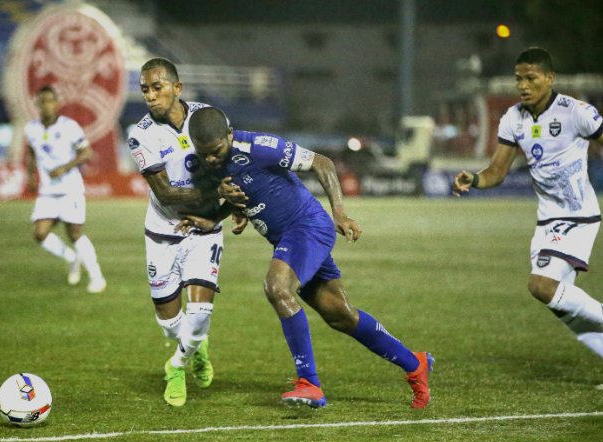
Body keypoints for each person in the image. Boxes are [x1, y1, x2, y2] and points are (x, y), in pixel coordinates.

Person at [181, 106, 434, 409]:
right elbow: (247, 189)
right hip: (290, 239)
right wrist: (223, 214)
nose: (211, 159)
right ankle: (415, 364)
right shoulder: (206, 163)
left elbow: (321, 162)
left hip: (308, 227)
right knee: (340, 314)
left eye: (216, 151)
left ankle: (309, 383)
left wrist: (339, 212)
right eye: (204, 153)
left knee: (277, 288)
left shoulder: (259, 146)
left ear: (230, 135)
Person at [453, 47, 603, 360]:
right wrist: (475, 180)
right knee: (560, 306)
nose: (522, 85)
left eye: (531, 78)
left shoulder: (575, 111)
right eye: (518, 78)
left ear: (549, 78)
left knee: (541, 286)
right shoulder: (513, 119)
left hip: (577, 217)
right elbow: (497, 171)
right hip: (546, 222)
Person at [128, 58, 245, 407]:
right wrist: (218, 194)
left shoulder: (209, 119)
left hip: (205, 230)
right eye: (145, 90)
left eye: (158, 87)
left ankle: (176, 367)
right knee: (170, 324)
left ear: (178, 89)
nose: (150, 96)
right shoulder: (140, 134)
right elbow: (165, 194)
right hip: (162, 232)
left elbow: (231, 167)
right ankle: (195, 347)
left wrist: (228, 208)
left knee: (199, 315)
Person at [24, 86, 106, 293]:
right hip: (47, 191)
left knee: (75, 233)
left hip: (70, 189)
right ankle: (70, 257)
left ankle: (97, 277)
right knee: (40, 233)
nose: (47, 105)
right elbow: (32, 153)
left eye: (51, 100)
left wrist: (65, 167)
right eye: (43, 101)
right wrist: (31, 176)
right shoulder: (31, 128)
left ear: (57, 103)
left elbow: (86, 153)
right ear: (37, 104)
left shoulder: (70, 127)